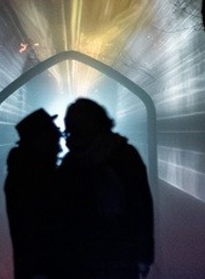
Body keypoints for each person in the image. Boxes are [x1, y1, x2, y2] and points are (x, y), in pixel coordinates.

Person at [56, 98, 154, 279]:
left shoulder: (71, 162)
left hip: (81, 257)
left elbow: (61, 213)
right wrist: (143, 255)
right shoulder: (125, 155)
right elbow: (140, 206)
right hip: (118, 255)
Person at [5, 108, 63, 279]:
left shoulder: (27, 169)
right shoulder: (31, 175)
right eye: (52, 129)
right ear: (40, 138)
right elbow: (32, 227)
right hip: (41, 267)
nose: (58, 133)